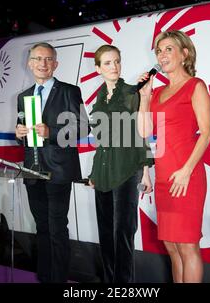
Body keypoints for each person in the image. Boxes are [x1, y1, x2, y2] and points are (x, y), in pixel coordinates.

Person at [137, 30, 210, 283]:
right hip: (164, 178)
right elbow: (145, 131)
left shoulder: (195, 85)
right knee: (171, 246)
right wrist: (145, 97)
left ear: (184, 54)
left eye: (169, 49)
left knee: (188, 246)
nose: (162, 54)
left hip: (186, 177)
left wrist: (186, 170)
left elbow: (206, 134)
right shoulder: (157, 93)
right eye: (159, 50)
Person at [15, 42, 89, 283]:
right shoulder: (23, 97)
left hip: (58, 170)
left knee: (57, 229)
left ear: (55, 64)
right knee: (42, 229)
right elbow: (24, 134)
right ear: (30, 63)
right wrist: (19, 135)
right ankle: (45, 278)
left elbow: (83, 127)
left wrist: (52, 132)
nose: (43, 64)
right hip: (32, 170)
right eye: (38, 59)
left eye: (48, 59)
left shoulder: (69, 91)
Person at [88, 45, 153, 283]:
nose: (113, 66)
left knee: (123, 234)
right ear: (98, 69)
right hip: (103, 174)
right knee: (106, 234)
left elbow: (142, 133)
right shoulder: (99, 96)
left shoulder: (130, 92)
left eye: (117, 61)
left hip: (127, 170)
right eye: (107, 63)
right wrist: (94, 173)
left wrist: (145, 172)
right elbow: (101, 141)